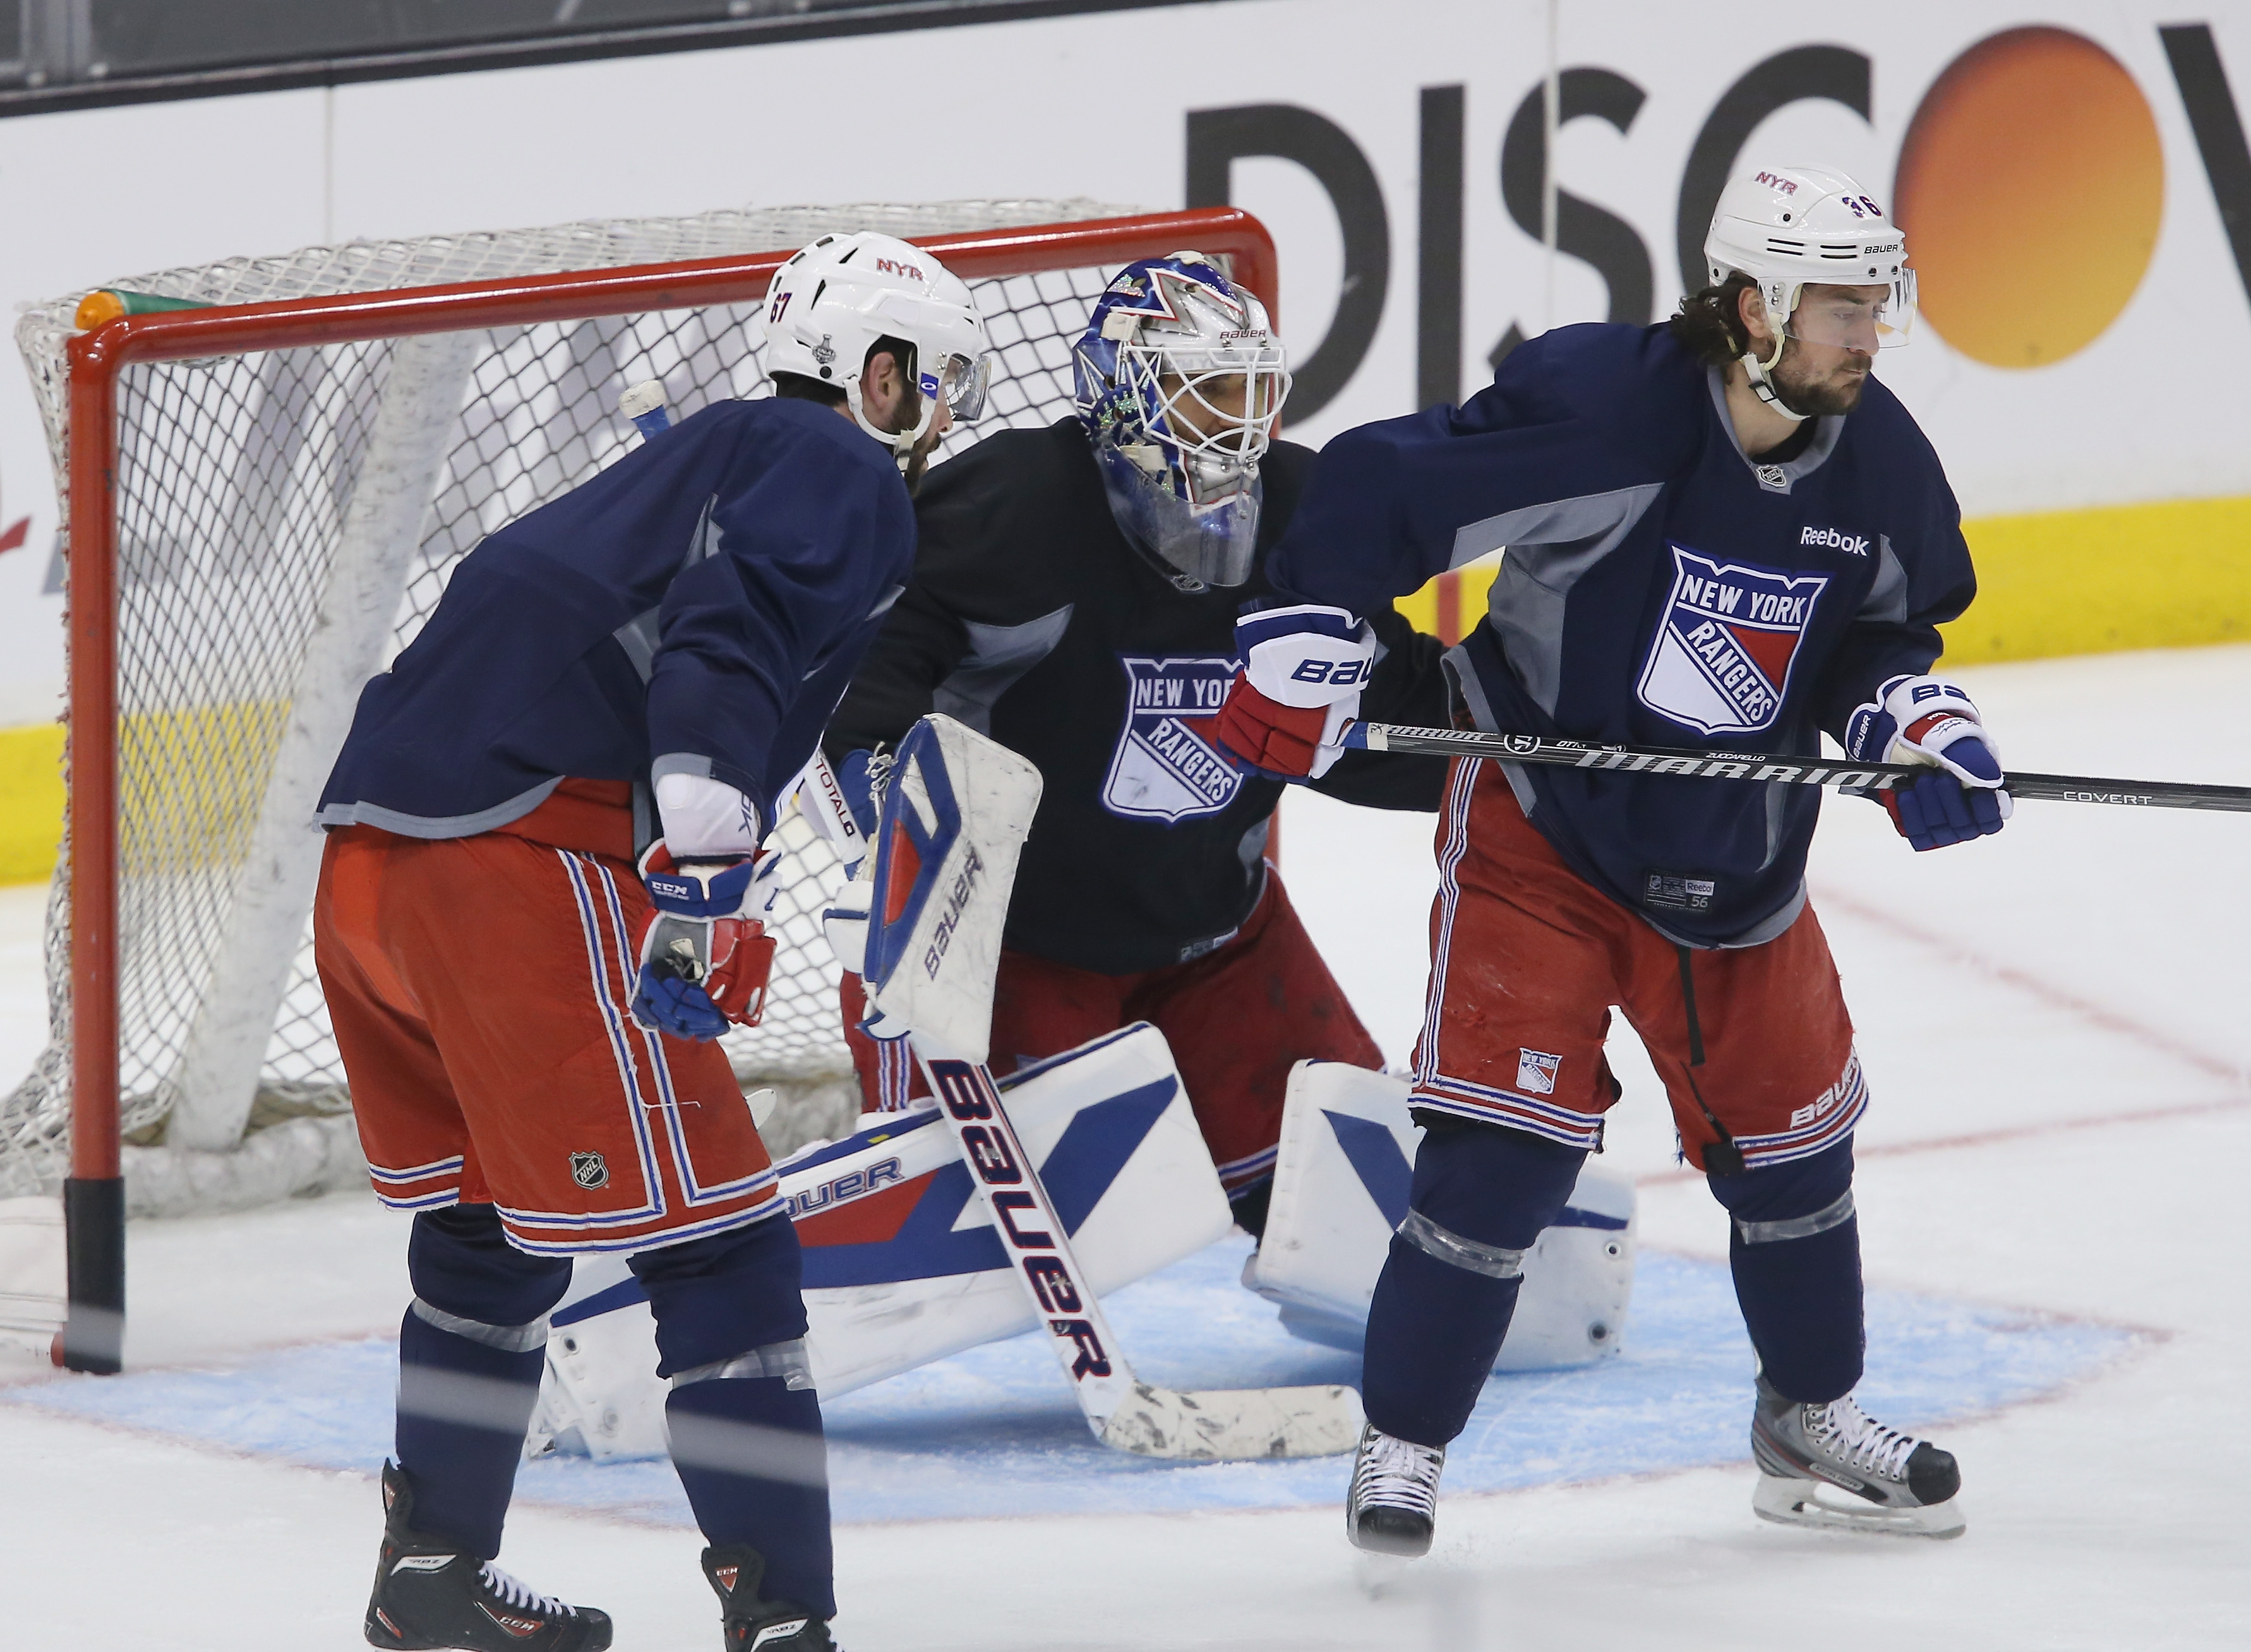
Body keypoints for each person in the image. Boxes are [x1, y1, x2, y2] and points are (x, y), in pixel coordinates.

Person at [1211, 164, 1993, 1551]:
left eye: (1879, 307)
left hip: (1737, 855)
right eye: (1840, 309)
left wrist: (1906, 717)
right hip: (1544, 826)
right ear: (1753, 305)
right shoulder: (1609, 406)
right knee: (1499, 1158)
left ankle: (1809, 1416)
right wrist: (1309, 623)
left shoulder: (1881, 460)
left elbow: (1885, 631)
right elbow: (1389, 481)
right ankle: (1402, 1446)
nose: (1869, 338)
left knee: (1797, 1154)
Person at [312, 231, 993, 1651]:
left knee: (492, 1233)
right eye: (934, 384)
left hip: (374, 872)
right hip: (508, 874)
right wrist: (703, 868)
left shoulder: (693, 460)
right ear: (876, 372)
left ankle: (429, 1582)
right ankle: (787, 1622)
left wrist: (686, 865)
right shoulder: (836, 468)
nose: (939, 420)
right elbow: (725, 639)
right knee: (725, 1258)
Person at [820, 251, 1446, 1235]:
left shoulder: (1303, 511)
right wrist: (887, 800)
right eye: (1206, 392)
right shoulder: (1013, 508)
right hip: (1011, 950)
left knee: (1363, 1225)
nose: (1237, 420)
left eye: (1250, 389)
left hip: (1221, 939)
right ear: (1122, 397)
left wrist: (1485, 755)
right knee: (1005, 1234)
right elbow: (871, 659)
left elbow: (1392, 715)